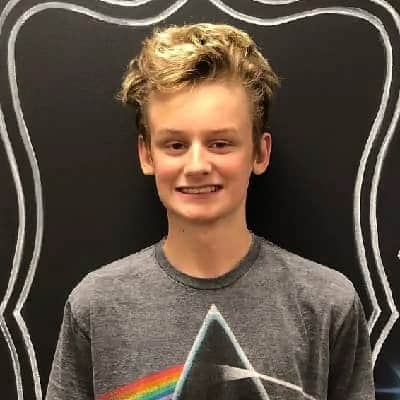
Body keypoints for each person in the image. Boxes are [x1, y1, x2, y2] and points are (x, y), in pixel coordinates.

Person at [46, 23, 375, 400]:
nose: (197, 165)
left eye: (220, 143)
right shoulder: (96, 307)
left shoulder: (327, 305)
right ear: (147, 154)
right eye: (175, 145)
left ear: (260, 152)